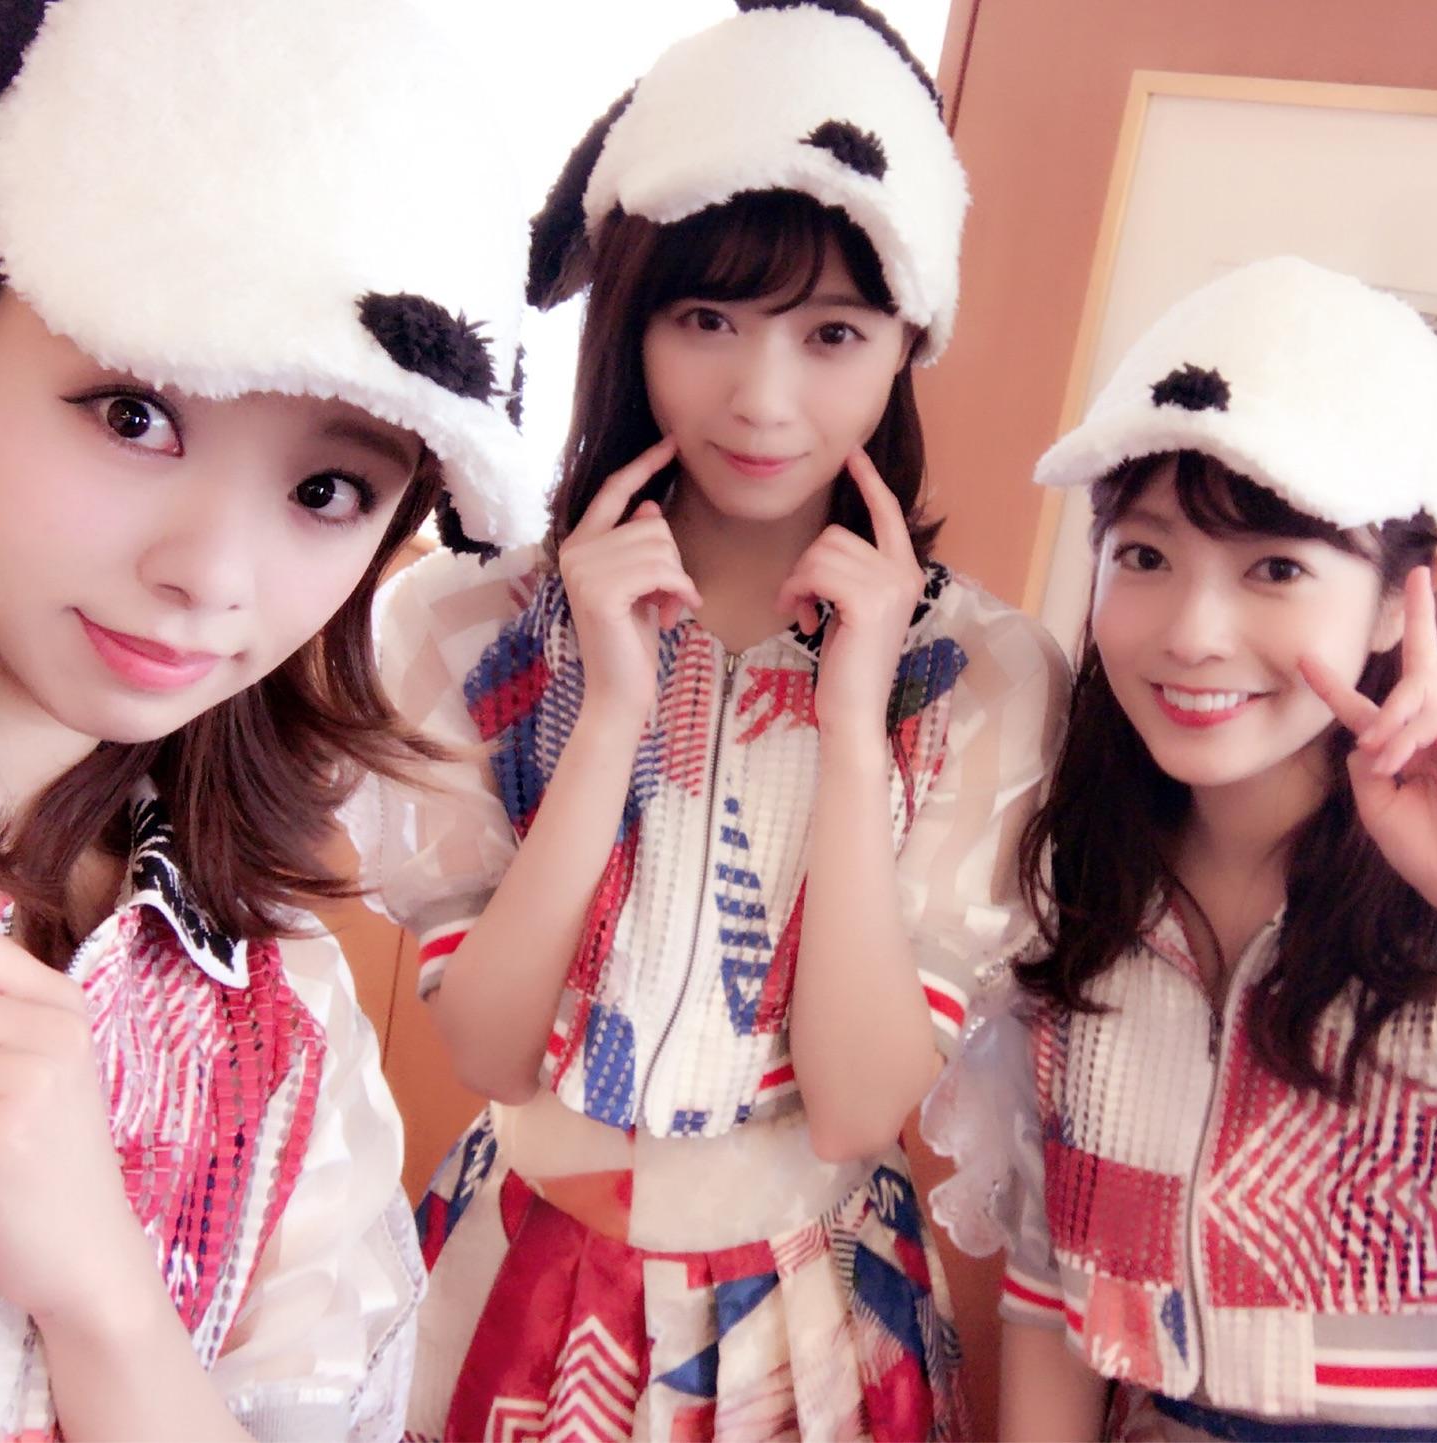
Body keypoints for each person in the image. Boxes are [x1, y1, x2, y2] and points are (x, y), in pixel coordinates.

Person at [359, 2, 1069, 1437]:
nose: (764, 398)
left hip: (813, 1314)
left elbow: (858, 1105)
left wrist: (856, 722)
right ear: (631, 318)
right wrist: (612, 709)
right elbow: (489, 1052)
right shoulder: (465, 626)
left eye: (833, 332)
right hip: (515, 1274)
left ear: (907, 339)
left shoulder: (982, 673)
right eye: (707, 320)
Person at [0, 1, 538, 1437]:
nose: (212, 576)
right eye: (134, 415)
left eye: (327, 490)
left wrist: (104, 1295)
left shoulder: (281, 1035)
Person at [924, 256, 1437, 1441]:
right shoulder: (1077, 891)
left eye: (1275, 568)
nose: (1192, 633)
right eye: (1145, 556)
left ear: (1399, 599)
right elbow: (1056, 1297)